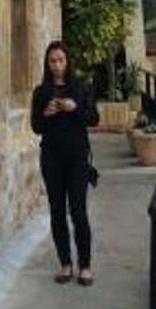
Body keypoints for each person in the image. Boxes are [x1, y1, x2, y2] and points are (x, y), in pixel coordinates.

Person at [30, 40, 100, 285]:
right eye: (52, 61)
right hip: (51, 158)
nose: (57, 65)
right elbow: (36, 127)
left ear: (67, 61)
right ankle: (65, 264)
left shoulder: (80, 88)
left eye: (60, 60)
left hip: (77, 157)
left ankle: (85, 266)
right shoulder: (41, 92)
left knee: (78, 211)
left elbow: (93, 119)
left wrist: (75, 107)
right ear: (47, 64)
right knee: (57, 211)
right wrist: (45, 114)